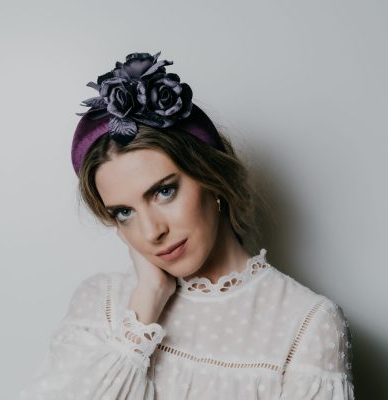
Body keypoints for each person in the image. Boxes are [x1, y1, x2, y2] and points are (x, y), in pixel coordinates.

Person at [19, 51, 355, 399]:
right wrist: (145, 305)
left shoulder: (306, 325)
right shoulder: (100, 303)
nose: (151, 232)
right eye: (124, 212)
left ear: (212, 178)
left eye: (164, 191)